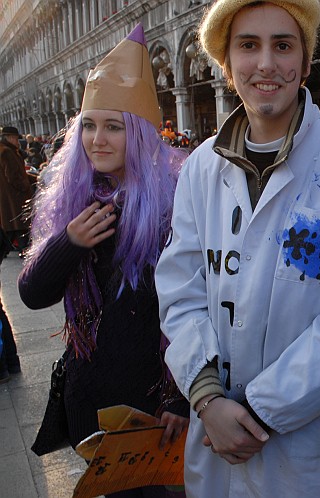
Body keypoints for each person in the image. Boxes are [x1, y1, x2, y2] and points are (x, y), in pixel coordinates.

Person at [153, 0, 320, 496]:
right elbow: (180, 291)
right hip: (214, 443)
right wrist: (208, 400)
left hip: (307, 451)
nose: (265, 64)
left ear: (305, 63)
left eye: (283, 45)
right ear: (226, 63)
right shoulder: (200, 168)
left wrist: (261, 410)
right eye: (248, 45)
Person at [17, 24, 189, 498]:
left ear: (137, 133)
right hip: (88, 398)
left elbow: (190, 306)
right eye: (89, 125)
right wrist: (68, 244)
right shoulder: (72, 202)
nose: (98, 139)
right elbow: (32, 294)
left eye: (114, 126)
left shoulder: (174, 206)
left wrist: (182, 397)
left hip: (150, 404)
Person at [0, 126, 33, 251]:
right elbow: (13, 176)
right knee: (19, 225)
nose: (17, 141)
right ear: (9, 138)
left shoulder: (7, 150)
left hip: (9, 197)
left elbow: (20, 174)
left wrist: (33, 179)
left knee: (13, 226)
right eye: (15, 138)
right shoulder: (7, 152)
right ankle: (24, 250)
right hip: (15, 197)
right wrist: (25, 187)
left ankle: (22, 249)